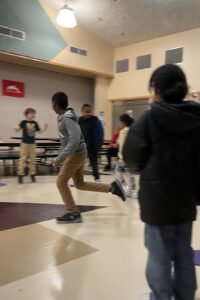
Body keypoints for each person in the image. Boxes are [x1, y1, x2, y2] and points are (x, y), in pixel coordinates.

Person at [123, 64, 200, 300]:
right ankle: (186, 295)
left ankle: (161, 296)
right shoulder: (197, 117)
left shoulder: (148, 118)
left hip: (156, 201)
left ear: (156, 90)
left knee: (158, 255)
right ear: (184, 88)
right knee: (183, 251)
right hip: (187, 198)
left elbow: (131, 159)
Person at [52, 92, 126, 224]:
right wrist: (61, 155)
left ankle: (72, 212)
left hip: (75, 154)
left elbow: (74, 140)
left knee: (60, 182)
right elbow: (66, 140)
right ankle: (113, 188)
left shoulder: (67, 118)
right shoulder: (66, 116)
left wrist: (60, 157)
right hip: (79, 153)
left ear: (55, 105)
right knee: (80, 184)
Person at [14, 108, 48, 184]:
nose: (33, 115)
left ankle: (32, 174)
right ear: (26, 115)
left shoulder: (35, 123)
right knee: (22, 159)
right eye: (31, 113)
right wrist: (16, 128)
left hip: (32, 144)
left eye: (34, 113)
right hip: (24, 144)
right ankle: (20, 175)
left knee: (32, 160)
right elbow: (17, 129)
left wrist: (45, 128)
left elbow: (39, 132)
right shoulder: (23, 122)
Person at [79, 104, 104, 182]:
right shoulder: (78, 120)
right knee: (78, 164)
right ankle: (76, 179)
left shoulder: (96, 120)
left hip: (93, 145)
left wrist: (99, 144)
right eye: (85, 112)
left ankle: (97, 178)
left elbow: (100, 133)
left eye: (89, 111)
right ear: (82, 111)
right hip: (81, 146)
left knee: (94, 163)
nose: (87, 113)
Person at [115, 114, 137, 198]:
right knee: (131, 174)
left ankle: (125, 188)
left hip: (123, 157)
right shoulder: (134, 130)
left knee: (118, 171)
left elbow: (121, 145)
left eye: (119, 121)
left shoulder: (123, 131)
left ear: (123, 122)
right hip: (133, 157)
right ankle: (134, 191)